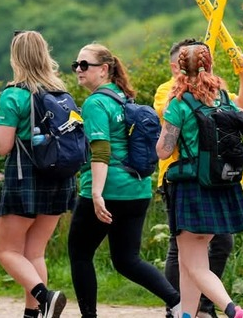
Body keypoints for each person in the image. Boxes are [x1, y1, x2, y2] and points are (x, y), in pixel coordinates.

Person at [66, 44, 181, 317]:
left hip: (109, 190)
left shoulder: (96, 102)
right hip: (138, 188)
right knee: (127, 260)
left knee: (80, 254)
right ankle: (177, 303)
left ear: (104, 69)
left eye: (85, 65)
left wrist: (95, 194)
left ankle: (89, 315)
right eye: (76, 65)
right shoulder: (123, 97)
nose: (78, 71)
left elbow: (101, 151)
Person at [156, 38, 243, 318]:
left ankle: (234, 311)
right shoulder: (222, 97)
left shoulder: (177, 102)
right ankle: (186, 314)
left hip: (190, 187)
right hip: (221, 183)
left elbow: (163, 151)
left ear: (179, 67)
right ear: (209, 64)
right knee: (190, 264)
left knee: (196, 265)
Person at [0, 31, 73, 318]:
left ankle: (45, 297)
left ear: (16, 58)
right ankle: (33, 314)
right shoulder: (60, 92)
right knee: (34, 252)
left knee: (7, 251)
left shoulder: (14, 94)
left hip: (26, 178)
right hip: (60, 178)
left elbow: (2, 145)